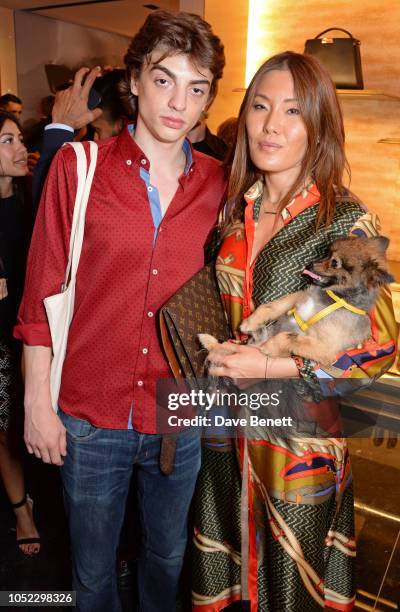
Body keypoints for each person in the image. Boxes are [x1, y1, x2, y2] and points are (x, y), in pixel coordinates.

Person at [15, 10, 226, 612]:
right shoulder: (77, 169)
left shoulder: (221, 183)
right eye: (164, 80)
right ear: (134, 80)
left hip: (178, 413)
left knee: (167, 559)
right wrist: (36, 405)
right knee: (92, 571)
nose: (178, 102)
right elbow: (40, 296)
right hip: (89, 410)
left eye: (196, 86)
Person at [191, 51, 397, 611]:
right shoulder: (237, 209)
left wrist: (272, 366)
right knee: (226, 572)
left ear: (319, 125)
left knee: (290, 587)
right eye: (260, 107)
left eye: (292, 111)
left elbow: (377, 346)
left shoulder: (347, 220)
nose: (271, 125)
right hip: (224, 432)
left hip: (299, 439)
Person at [0, 111, 40, 555]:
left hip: (31, 333)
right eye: (6, 141)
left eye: (17, 138)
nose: (18, 150)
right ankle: (20, 510)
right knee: (6, 426)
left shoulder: (32, 196)